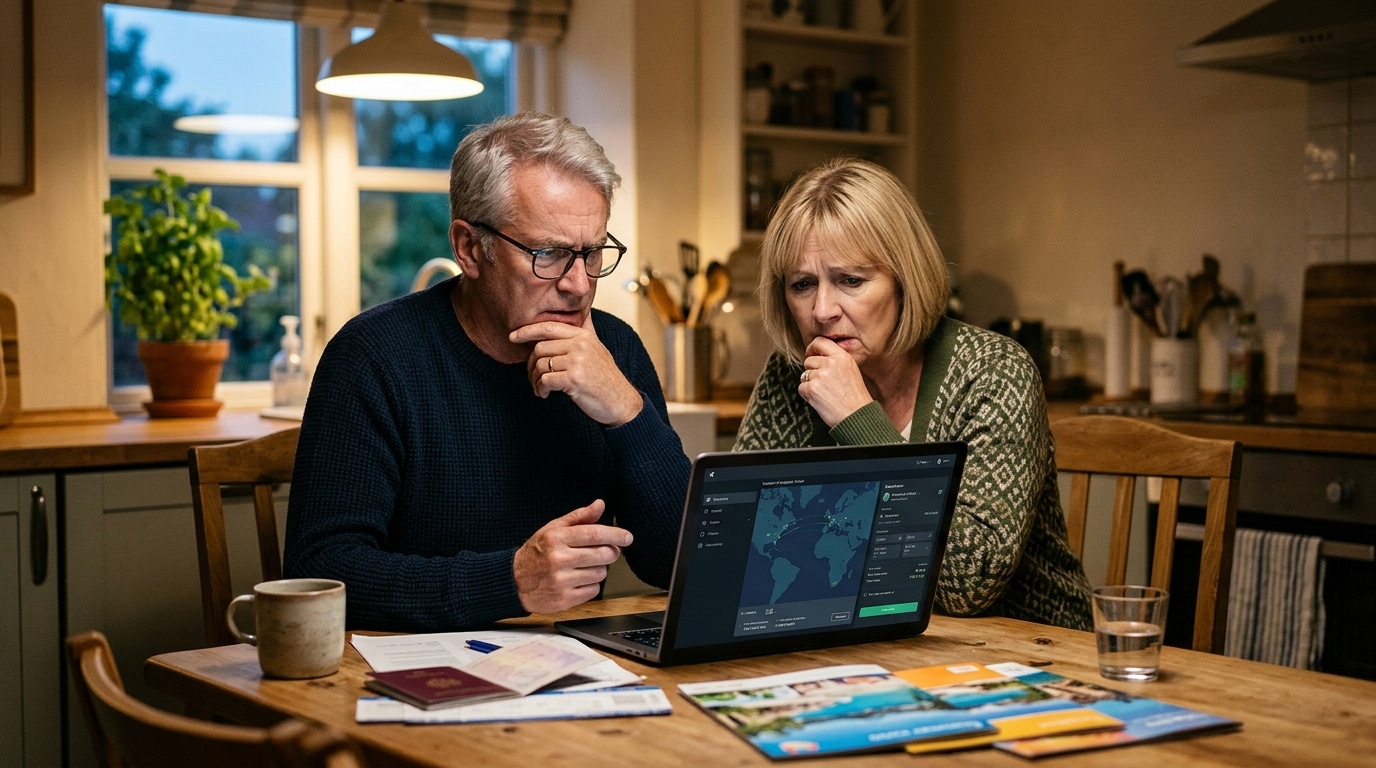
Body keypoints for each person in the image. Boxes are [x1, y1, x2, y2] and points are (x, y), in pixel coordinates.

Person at [284, 112, 689, 632]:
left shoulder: (615, 349)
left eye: (592, 253)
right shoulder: (372, 356)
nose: (579, 284)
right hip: (403, 669)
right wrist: (510, 580)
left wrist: (628, 413)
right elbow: (320, 569)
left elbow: (676, 564)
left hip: (576, 670)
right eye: (550, 254)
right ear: (470, 248)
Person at [733, 157, 1092, 630]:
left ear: (906, 278)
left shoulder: (993, 372)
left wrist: (857, 419)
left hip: (1033, 651)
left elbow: (967, 584)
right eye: (802, 285)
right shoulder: (790, 374)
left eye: (851, 280)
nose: (822, 310)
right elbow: (741, 547)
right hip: (871, 639)